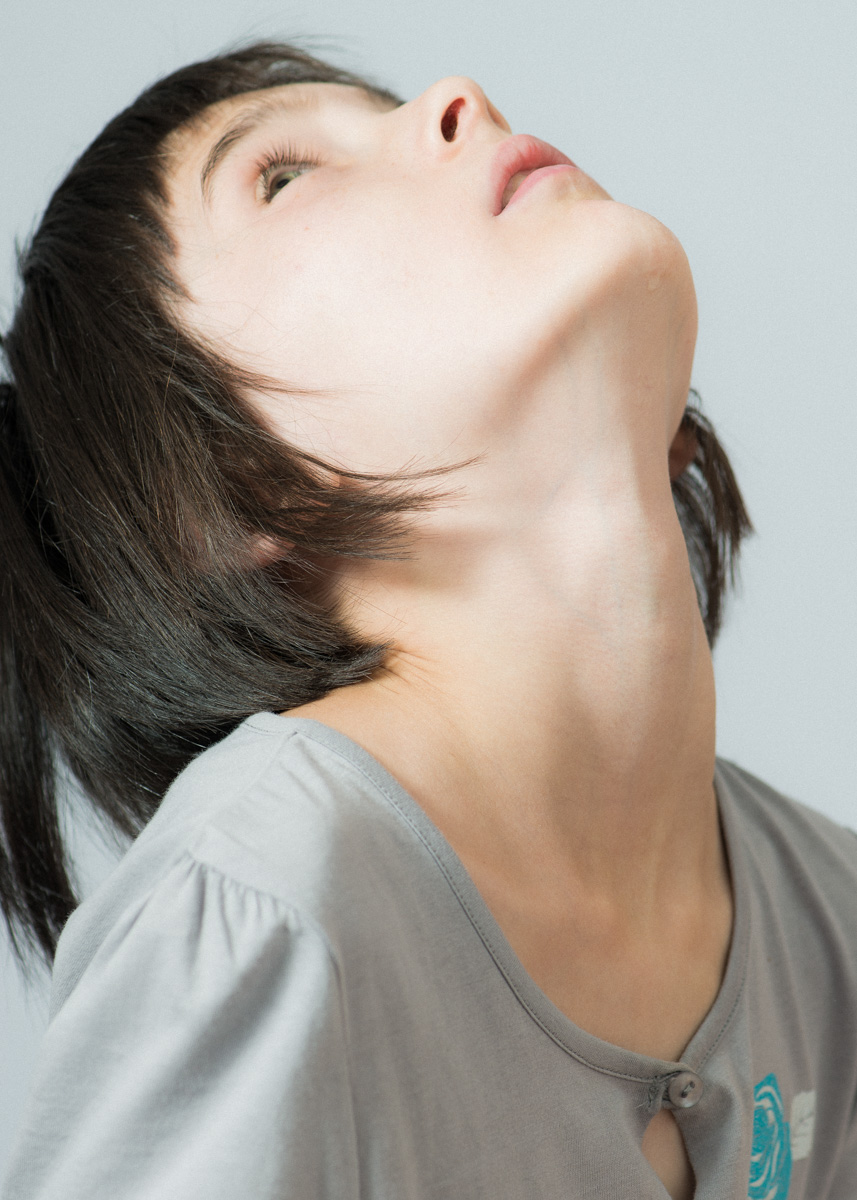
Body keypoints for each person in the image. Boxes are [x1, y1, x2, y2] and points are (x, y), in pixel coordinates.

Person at [0, 39, 854, 1200]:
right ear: (214, 491)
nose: (459, 98)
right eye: (282, 175)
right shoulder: (264, 909)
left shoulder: (832, 923)